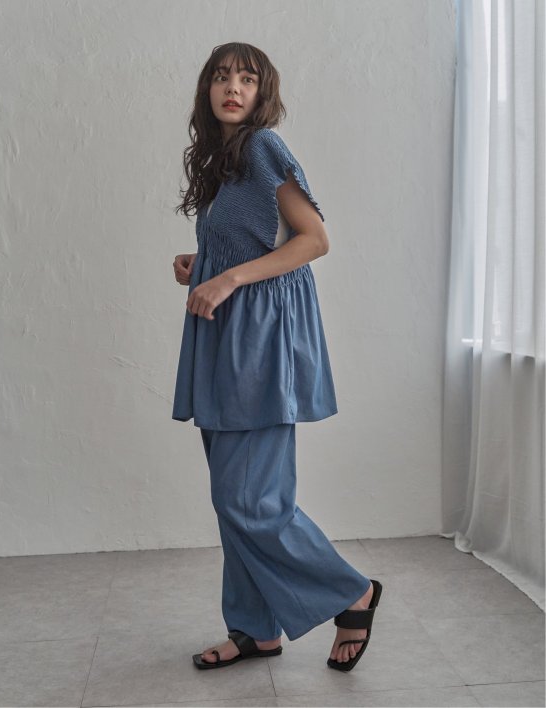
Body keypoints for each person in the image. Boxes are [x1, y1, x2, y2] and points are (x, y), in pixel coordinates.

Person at [171, 42, 383, 672]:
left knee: (250, 499)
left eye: (247, 78)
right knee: (232, 496)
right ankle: (254, 629)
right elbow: (260, 241)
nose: (233, 87)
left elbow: (313, 239)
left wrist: (228, 278)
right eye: (221, 77)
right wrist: (203, 263)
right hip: (225, 337)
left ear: (264, 92)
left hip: (260, 342)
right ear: (207, 90)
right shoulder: (223, 160)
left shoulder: (263, 147)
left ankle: (351, 592)